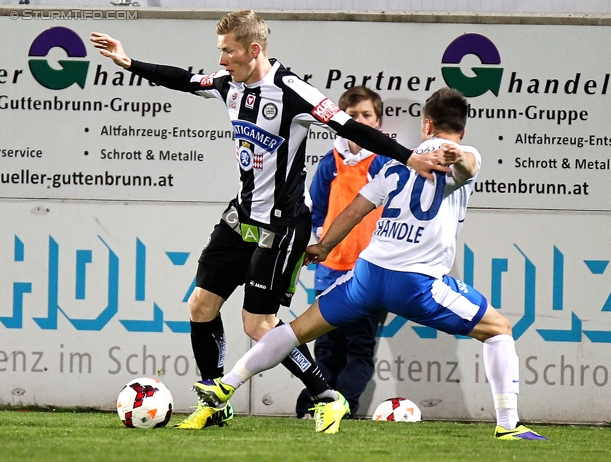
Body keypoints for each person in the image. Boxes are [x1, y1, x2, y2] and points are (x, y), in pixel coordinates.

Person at [90, 10, 447, 431]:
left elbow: (351, 126)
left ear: (254, 50)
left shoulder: (292, 91)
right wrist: (129, 62)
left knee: (259, 325)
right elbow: (185, 80)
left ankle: (325, 396)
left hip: (281, 227)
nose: (221, 61)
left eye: (229, 52)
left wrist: (409, 157)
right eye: (220, 52)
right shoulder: (228, 86)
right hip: (239, 217)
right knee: (201, 305)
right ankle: (214, 399)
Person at [193, 88, 549, 440]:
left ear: (426, 124)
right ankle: (508, 425)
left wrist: (324, 246)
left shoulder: (400, 159)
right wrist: (458, 155)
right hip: (416, 283)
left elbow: (358, 207)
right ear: (462, 129)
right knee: (498, 329)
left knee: (295, 331)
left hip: (366, 275)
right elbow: (468, 166)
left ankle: (227, 384)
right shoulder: (458, 153)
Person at [296, 86, 387, 419]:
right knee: (326, 349)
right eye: (353, 115)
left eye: (366, 115)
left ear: (378, 123)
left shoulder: (385, 163)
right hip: (330, 271)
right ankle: (313, 407)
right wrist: (321, 237)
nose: (359, 121)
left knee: (359, 349)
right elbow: (316, 209)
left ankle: (342, 409)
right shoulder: (329, 162)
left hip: (369, 274)